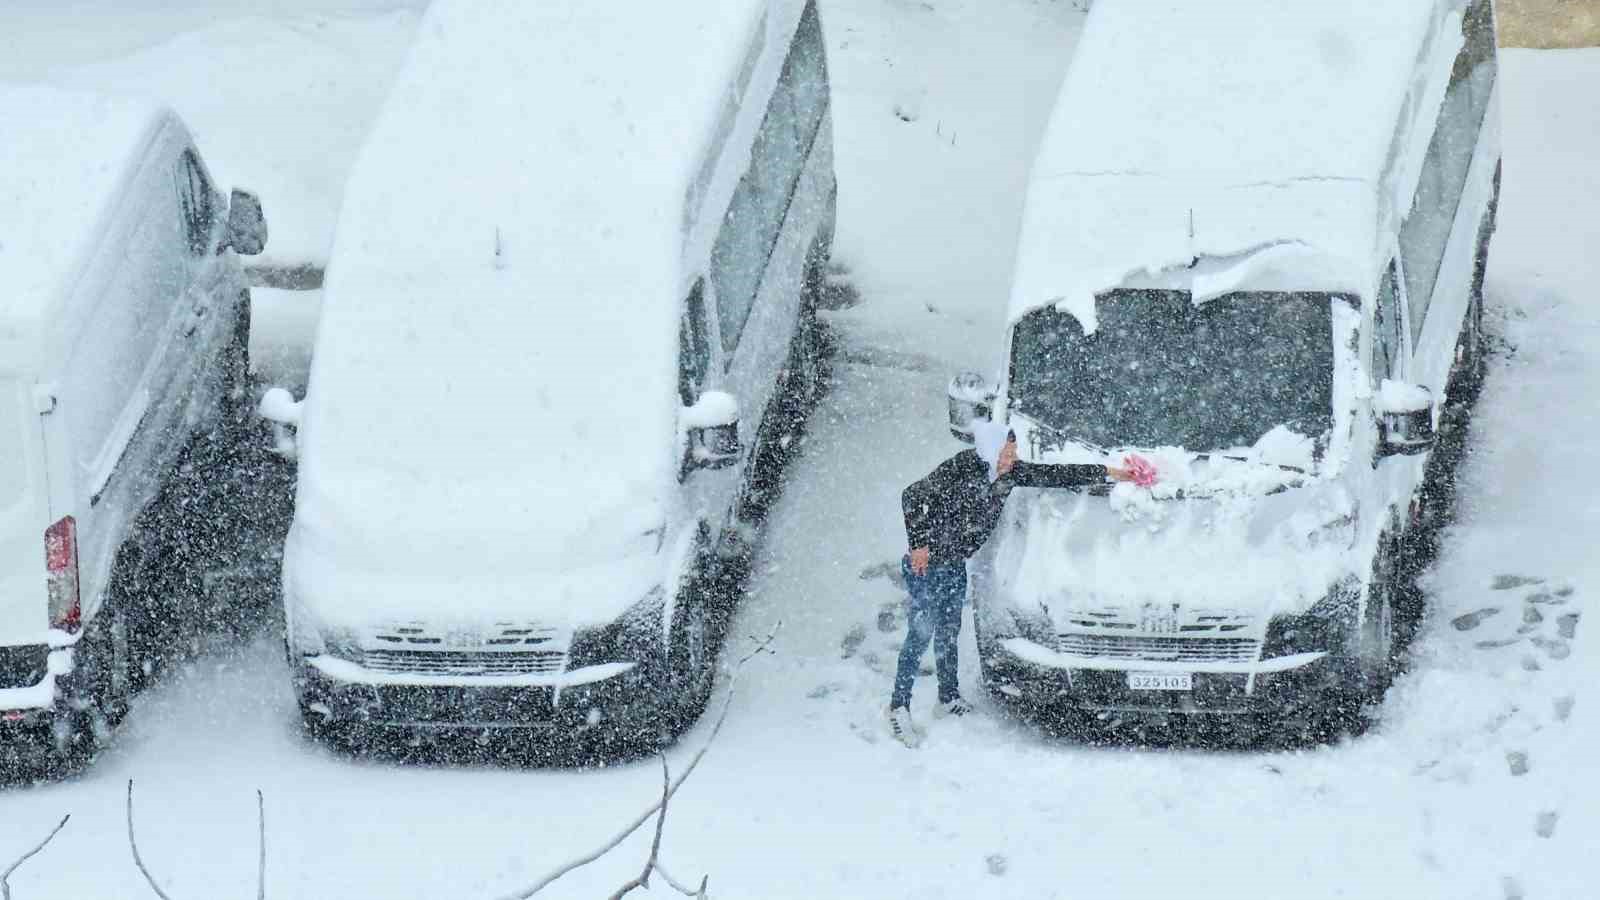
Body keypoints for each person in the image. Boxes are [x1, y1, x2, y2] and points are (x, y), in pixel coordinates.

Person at [885, 424, 1143, 747]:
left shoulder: (1008, 473)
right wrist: (918, 544)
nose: (1012, 458)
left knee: (949, 631)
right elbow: (912, 494)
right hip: (926, 565)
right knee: (921, 632)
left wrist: (1112, 473)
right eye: (1007, 452)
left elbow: (1055, 474)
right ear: (991, 450)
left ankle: (947, 699)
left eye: (1013, 452)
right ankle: (898, 707)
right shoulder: (963, 466)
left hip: (953, 563)